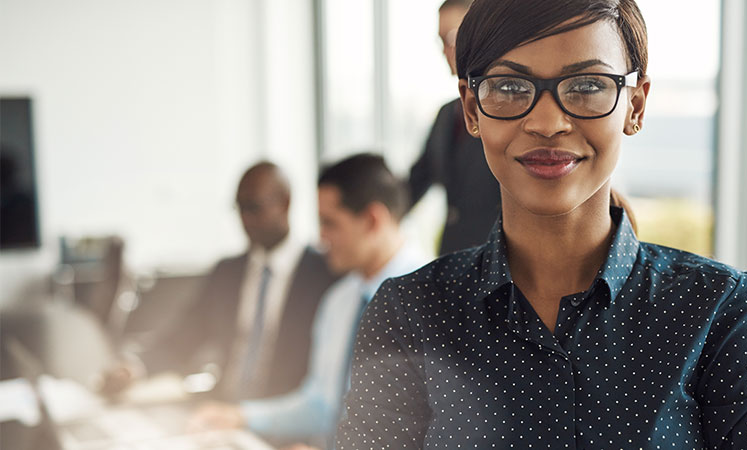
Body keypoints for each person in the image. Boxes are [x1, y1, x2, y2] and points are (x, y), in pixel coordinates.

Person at [336, 1, 747, 448]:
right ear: (472, 108)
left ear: (635, 106)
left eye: (586, 85)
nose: (547, 122)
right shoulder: (409, 313)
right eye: (510, 87)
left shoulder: (720, 312)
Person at [189, 154, 427, 447]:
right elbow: (321, 406)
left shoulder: (437, 302)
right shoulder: (339, 301)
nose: (321, 237)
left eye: (330, 223)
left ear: (371, 220)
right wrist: (242, 416)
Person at [102, 161, 339, 401]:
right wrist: (134, 368)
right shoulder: (227, 273)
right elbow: (183, 336)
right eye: (240, 208)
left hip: (286, 421)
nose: (246, 219)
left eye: (254, 207)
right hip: (222, 411)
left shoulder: (323, 274)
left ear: (285, 202)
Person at [407, 0, 501, 255]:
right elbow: (417, 180)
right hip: (453, 256)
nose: (445, 50)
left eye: (452, 37)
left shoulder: (508, 111)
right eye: (441, 41)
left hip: (498, 259)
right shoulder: (446, 114)